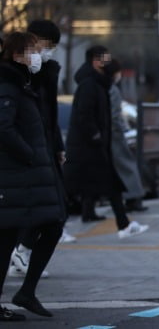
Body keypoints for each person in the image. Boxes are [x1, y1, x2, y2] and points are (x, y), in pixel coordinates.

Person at [0, 32, 65, 321]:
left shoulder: (22, 82)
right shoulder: (8, 84)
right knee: (8, 237)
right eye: (31, 51)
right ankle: (24, 292)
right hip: (18, 174)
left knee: (50, 225)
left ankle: (26, 292)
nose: (37, 56)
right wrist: (28, 154)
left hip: (30, 174)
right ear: (16, 55)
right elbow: (3, 127)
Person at [9, 20, 72, 282]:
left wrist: (57, 146)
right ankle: (21, 254)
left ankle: (22, 254)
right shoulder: (17, 72)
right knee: (47, 211)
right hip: (28, 150)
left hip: (43, 146)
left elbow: (50, 114)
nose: (48, 52)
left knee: (55, 210)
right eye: (47, 45)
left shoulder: (47, 72)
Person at [63, 45, 148, 239]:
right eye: (105, 59)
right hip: (86, 147)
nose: (109, 63)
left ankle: (124, 225)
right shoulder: (89, 85)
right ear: (95, 61)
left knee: (111, 185)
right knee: (69, 189)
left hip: (95, 146)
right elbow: (84, 116)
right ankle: (56, 228)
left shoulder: (99, 84)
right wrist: (95, 135)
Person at [104, 59, 148, 212]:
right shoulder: (113, 90)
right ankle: (134, 198)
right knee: (127, 166)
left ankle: (129, 199)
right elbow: (115, 115)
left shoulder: (103, 88)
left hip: (107, 135)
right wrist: (122, 129)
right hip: (115, 135)